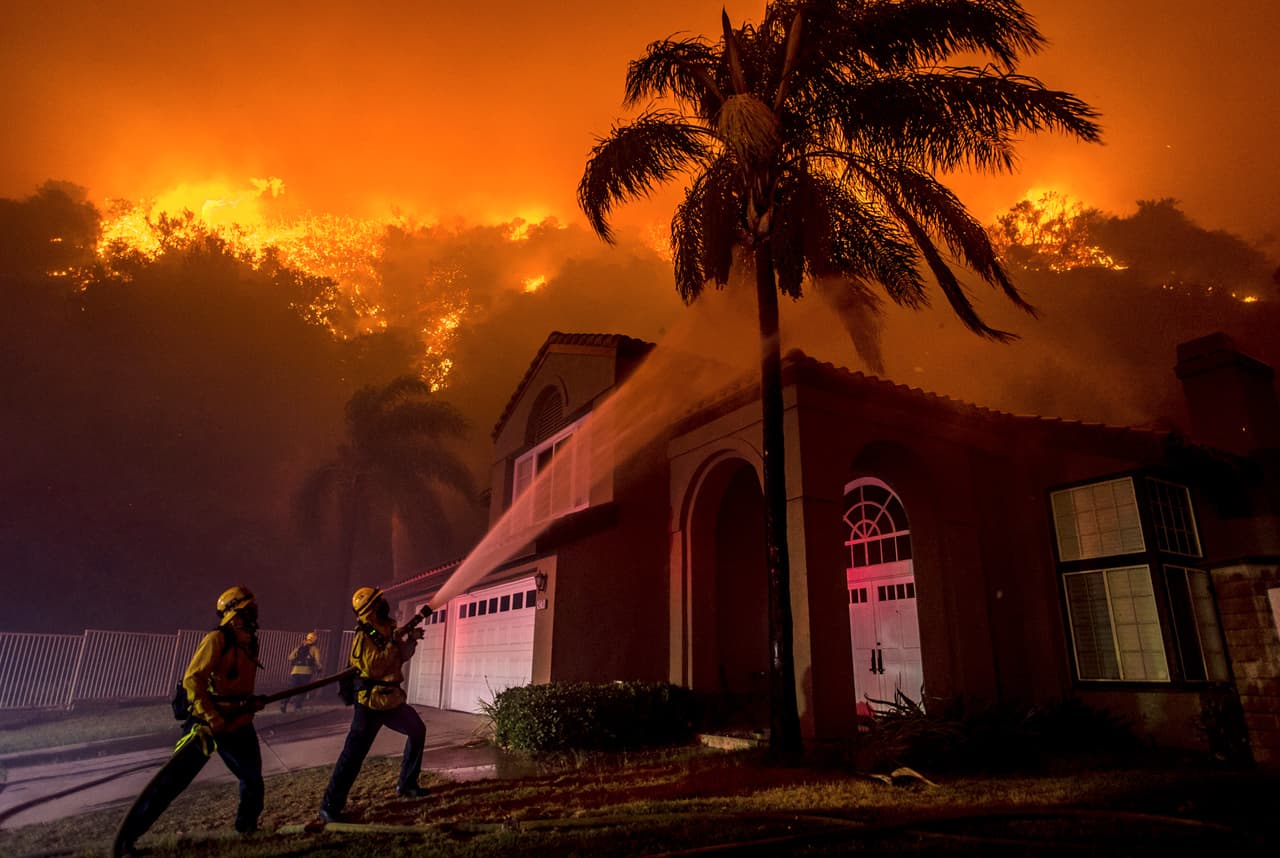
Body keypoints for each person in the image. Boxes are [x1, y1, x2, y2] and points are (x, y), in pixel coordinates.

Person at [113, 585, 266, 857]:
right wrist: (211, 716)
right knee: (172, 782)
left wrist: (251, 703)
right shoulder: (217, 640)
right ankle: (127, 840)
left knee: (252, 778)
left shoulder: (249, 642)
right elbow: (192, 680)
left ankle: (247, 829)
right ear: (234, 613)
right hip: (207, 724)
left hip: (238, 723)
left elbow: (238, 684)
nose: (255, 613)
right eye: (249, 608)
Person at [318, 587, 428, 823]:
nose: (384, 603)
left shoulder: (387, 628)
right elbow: (375, 667)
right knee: (353, 755)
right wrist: (393, 643)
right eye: (378, 601)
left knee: (417, 730)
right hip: (369, 704)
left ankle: (407, 785)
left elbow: (400, 657)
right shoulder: (363, 636)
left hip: (392, 700)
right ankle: (330, 807)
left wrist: (409, 641)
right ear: (369, 609)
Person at [282, 631, 323, 712]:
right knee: (303, 690)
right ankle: (298, 707)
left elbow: (290, 657)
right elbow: (317, 661)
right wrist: (319, 668)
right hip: (306, 672)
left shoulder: (299, 647)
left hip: (295, 671)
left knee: (292, 689)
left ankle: (284, 703)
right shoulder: (315, 649)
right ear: (315, 640)